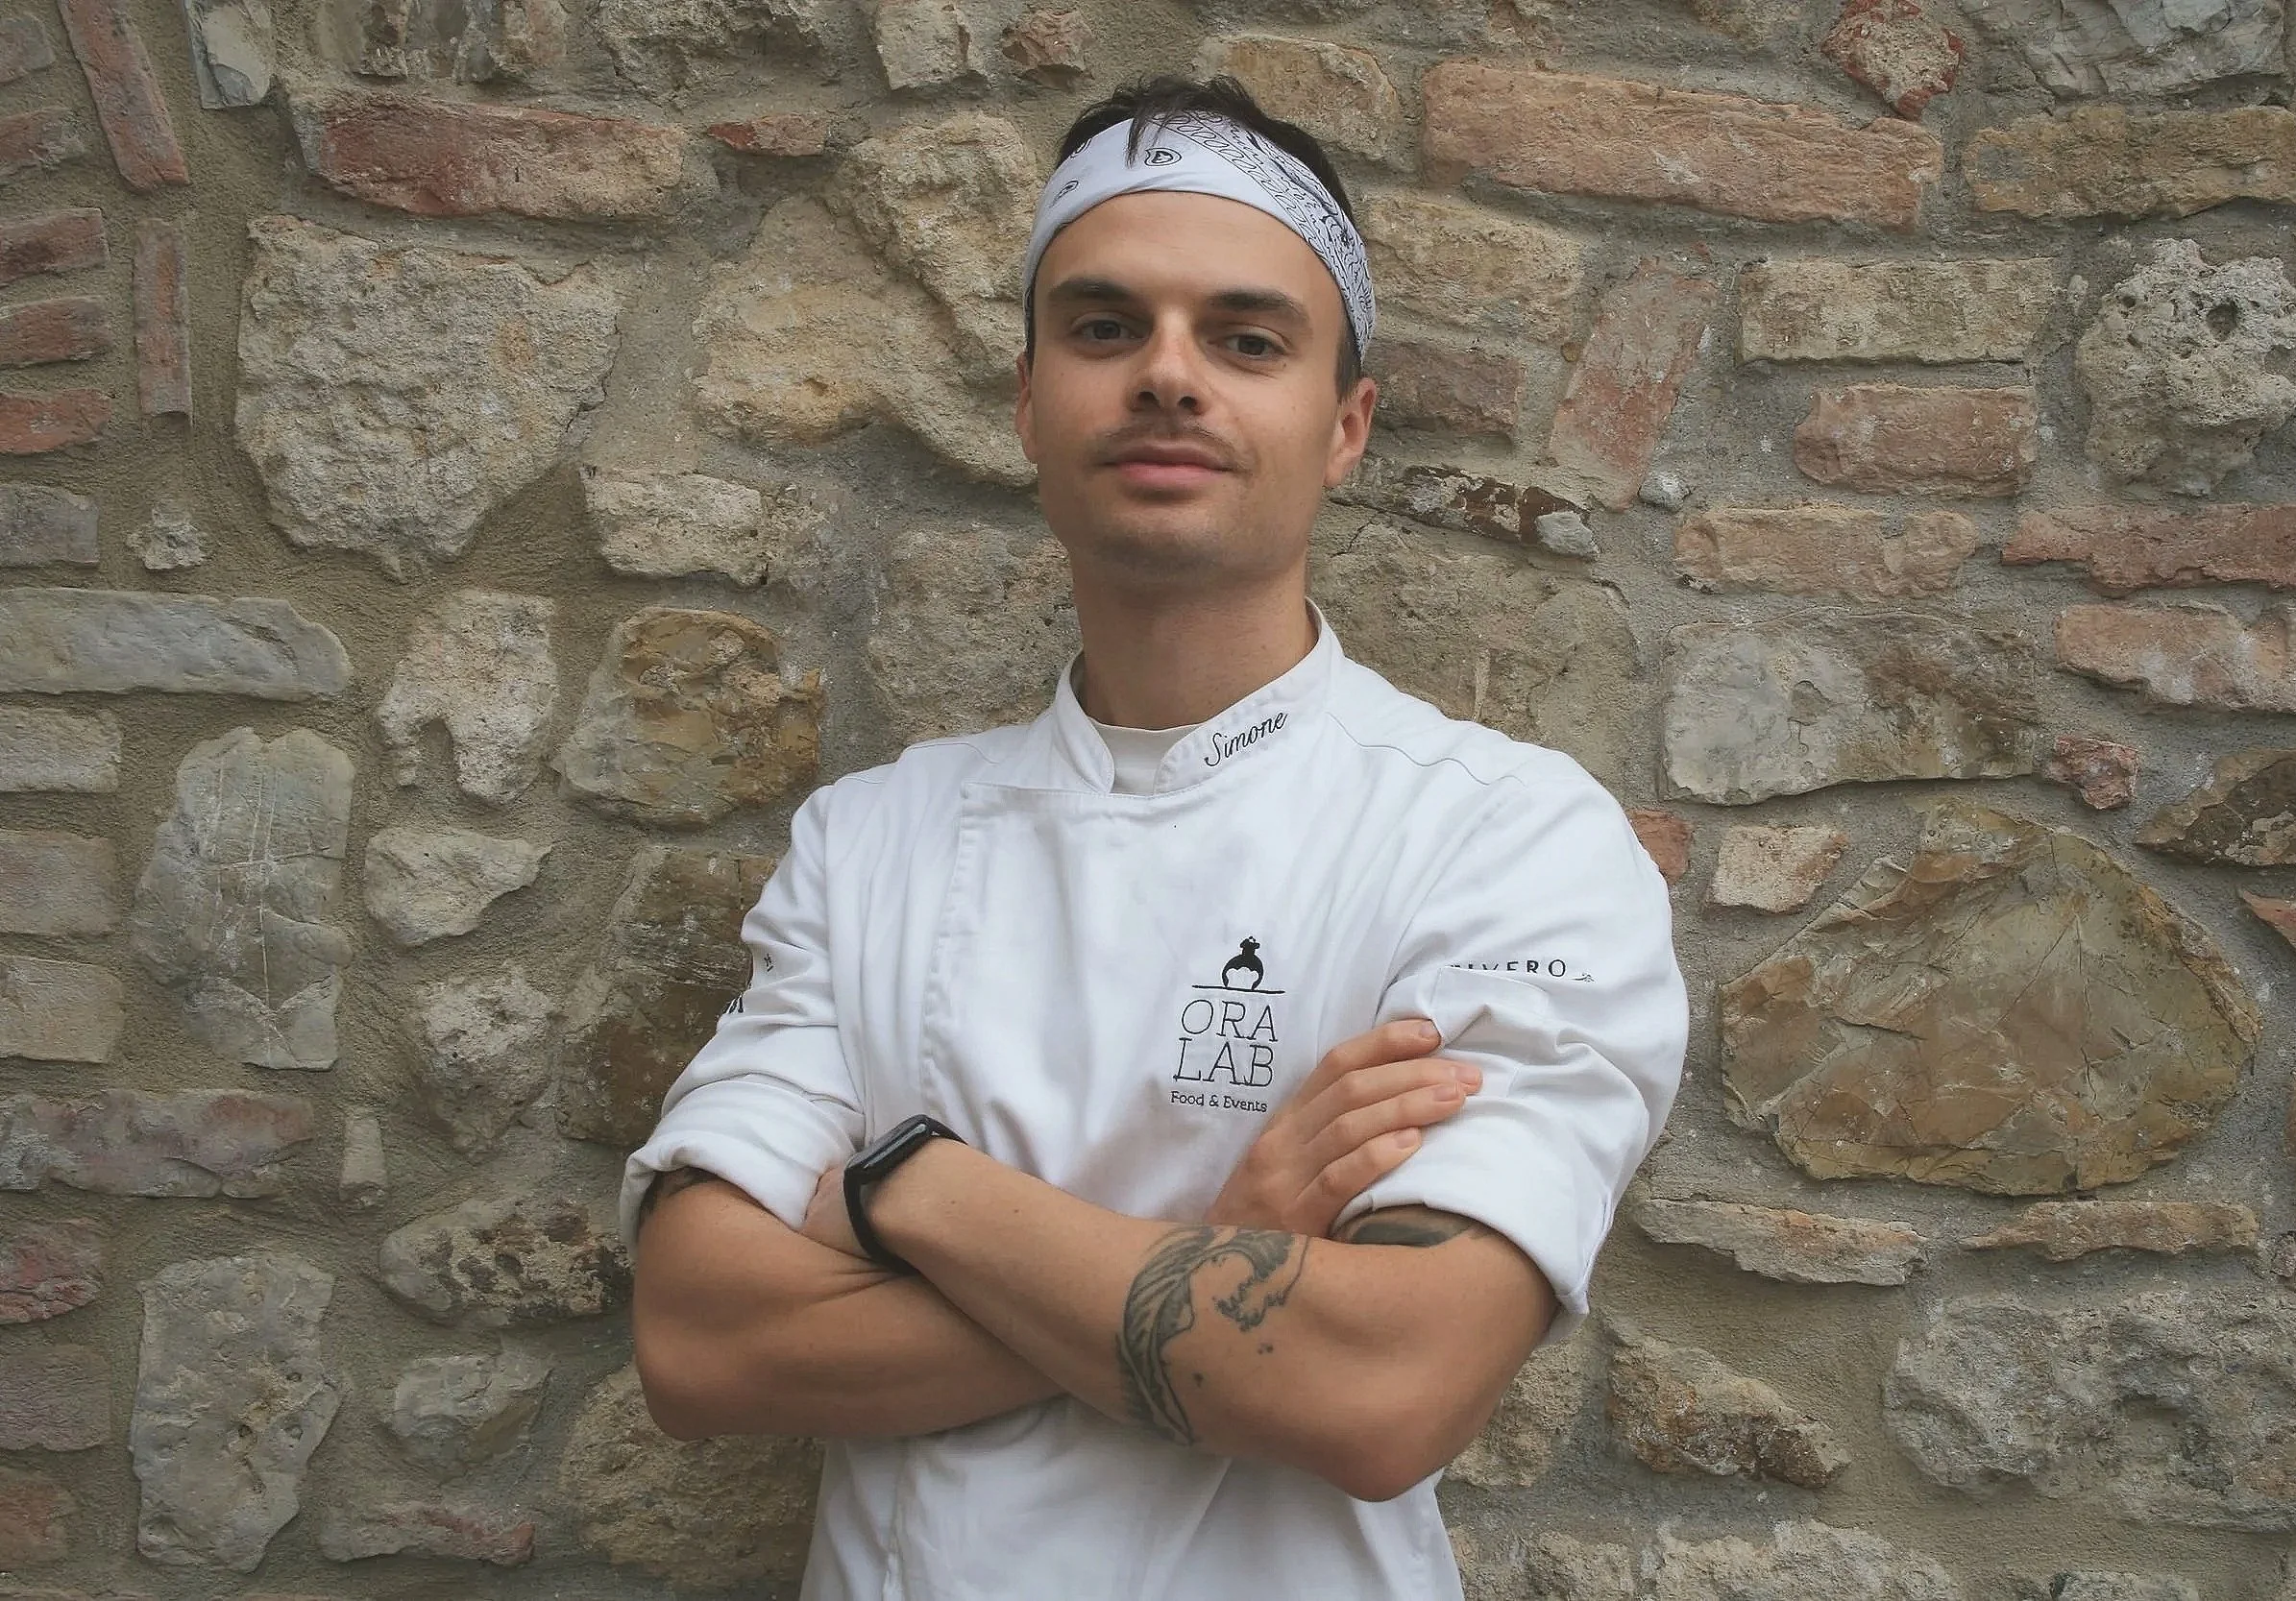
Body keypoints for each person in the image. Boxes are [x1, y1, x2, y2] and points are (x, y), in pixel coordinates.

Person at [623, 74, 1688, 1601]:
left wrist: (897, 1185)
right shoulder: (872, 837)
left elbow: (1378, 1388)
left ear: (1346, 425)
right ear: (1027, 400)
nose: (1169, 376)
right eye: (1106, 327)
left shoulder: (1506, 839)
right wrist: (1217, 1238)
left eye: (1247, 340)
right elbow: (702, 1339)